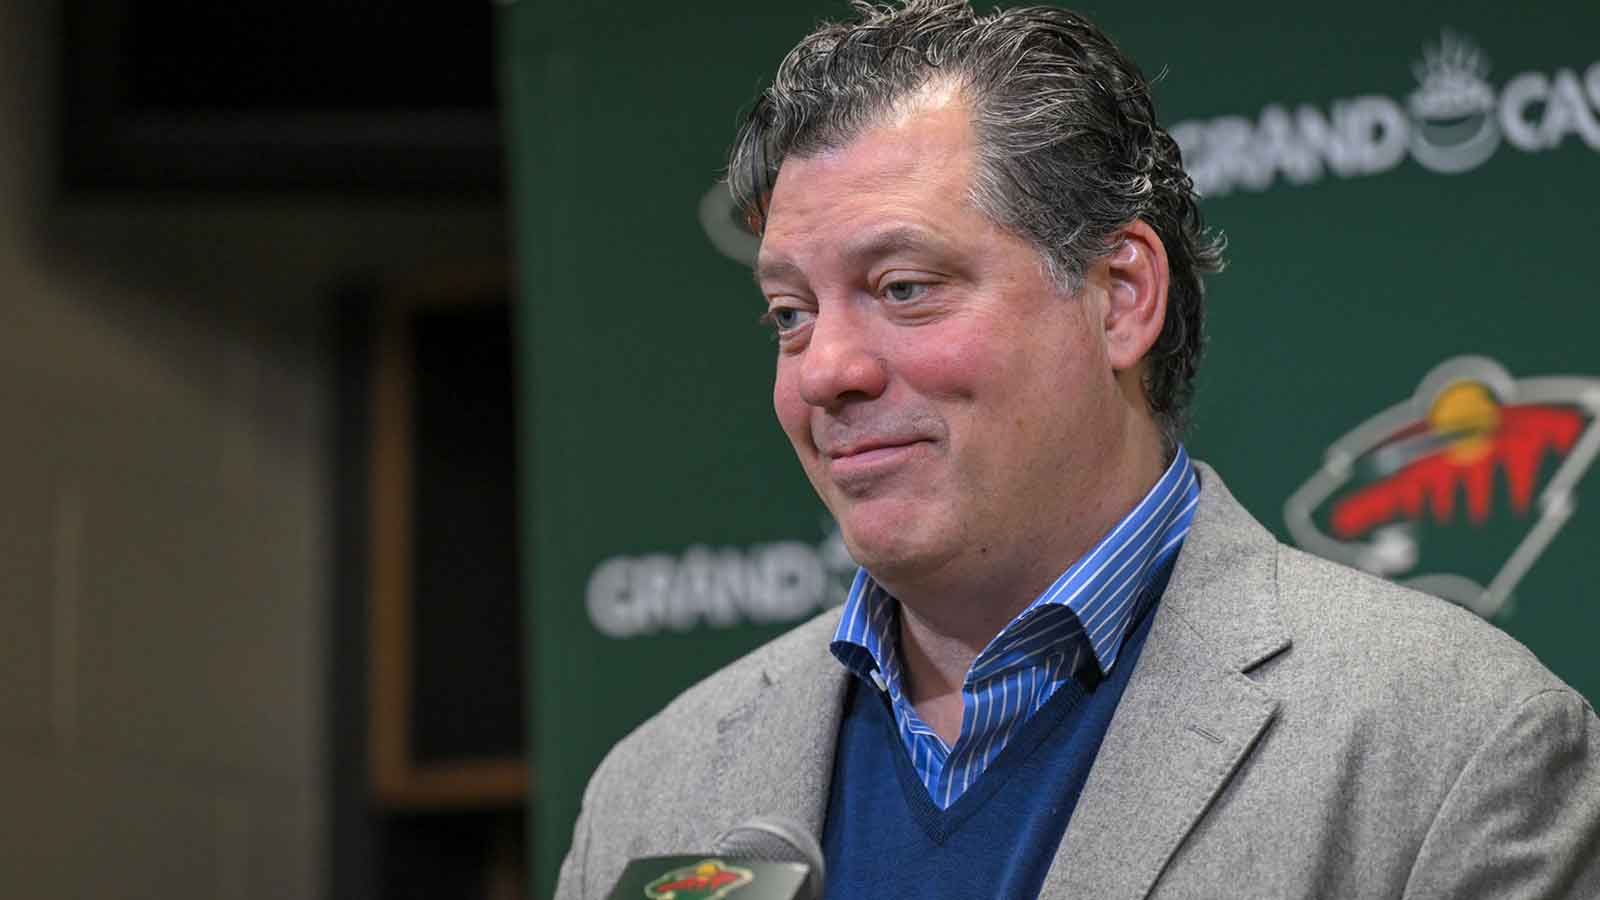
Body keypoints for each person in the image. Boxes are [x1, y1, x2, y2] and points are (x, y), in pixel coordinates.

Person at [556, 3, 1600, 897]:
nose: (824, 370)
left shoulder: (1456, 742)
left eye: (903, 288)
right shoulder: (654, 790)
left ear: (1120, 298)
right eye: (790, 314)